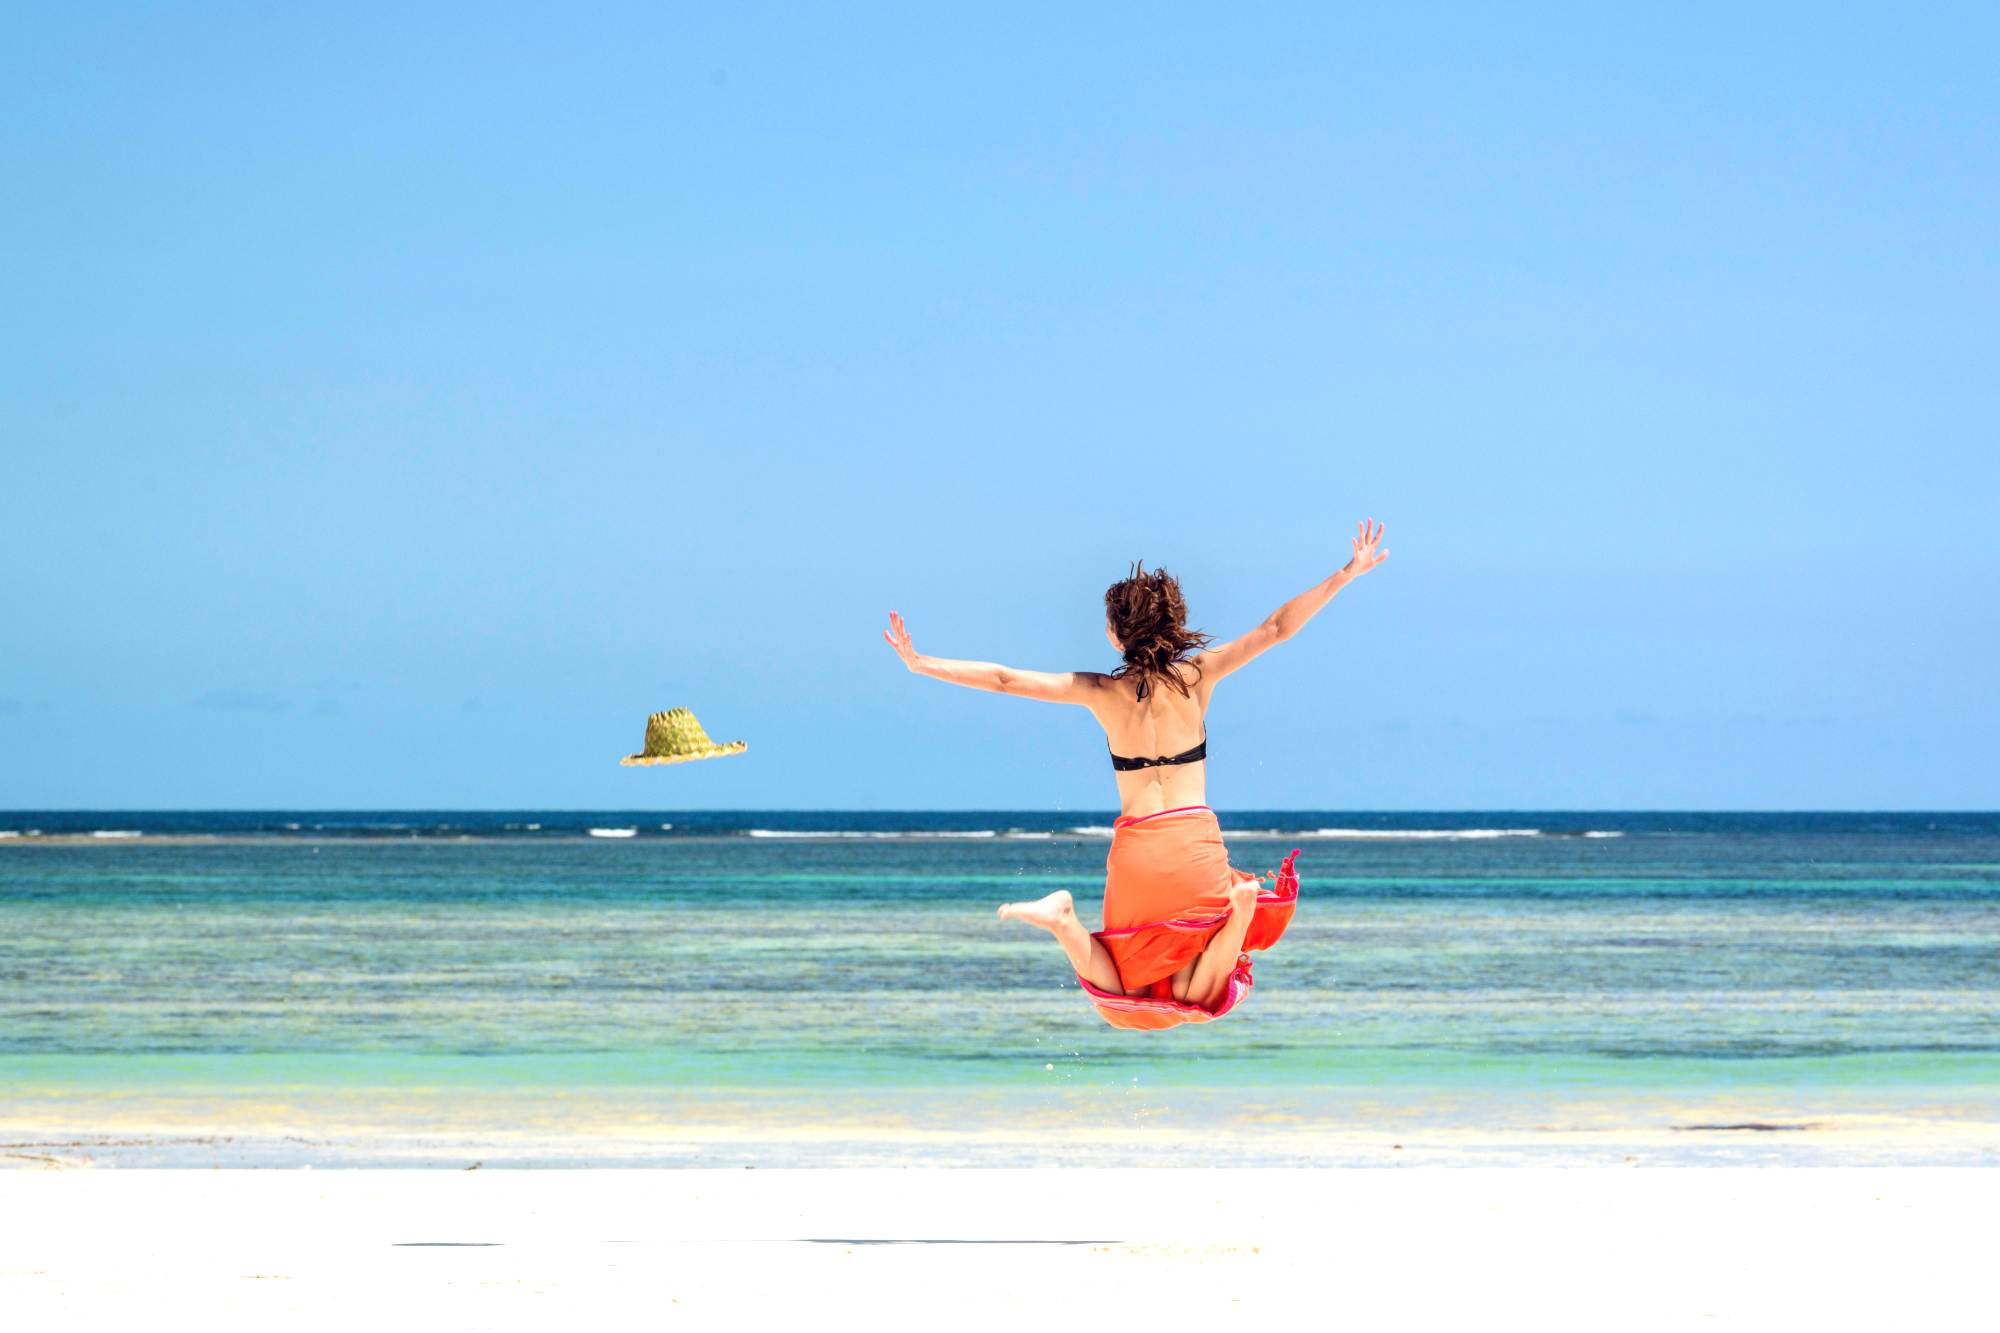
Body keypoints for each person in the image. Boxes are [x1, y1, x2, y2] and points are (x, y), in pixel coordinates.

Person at [883, 519, 1389, 1028]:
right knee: (1192, 999)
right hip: (1195, 851)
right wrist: (1347, 572)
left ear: (1113, 634)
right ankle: (1235, 913)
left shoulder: (1101, 692)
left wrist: (922, 663)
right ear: (1174, 622)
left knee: (1130, 999)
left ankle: (1064, 922)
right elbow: (1276, 628)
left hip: (1136, 861)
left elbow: (1004, 679)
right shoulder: (1198, 677)